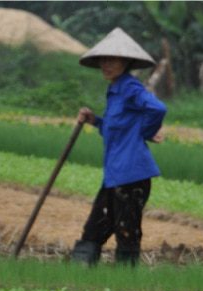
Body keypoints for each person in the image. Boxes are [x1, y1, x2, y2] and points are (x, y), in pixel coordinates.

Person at [71, 27, 167, 267]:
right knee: (95, 227)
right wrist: (95, 121)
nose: (107, 64)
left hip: (132, 176)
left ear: (125, 62)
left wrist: (144, 132)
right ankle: (75, 279)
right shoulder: (114, 91)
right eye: (104, 59)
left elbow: (157, 109)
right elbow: (115, 129)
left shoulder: (129, 87)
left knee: (127, 231)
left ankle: (125, 284)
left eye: (112, 60)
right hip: (115, 175)